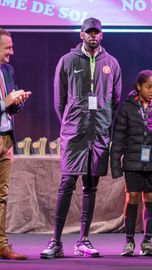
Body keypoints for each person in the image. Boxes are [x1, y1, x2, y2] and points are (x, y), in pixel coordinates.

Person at [40, 17, 122, 259]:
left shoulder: (112, 63)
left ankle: (83, 241)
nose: (93, 35)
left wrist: (103, 122)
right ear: (81, 34)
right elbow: (59, 102)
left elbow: (114, 100)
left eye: (97, 32)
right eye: (89, 32)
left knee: (91, 187)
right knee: (66, 186)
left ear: (102, 35)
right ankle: (55, 241)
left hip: (98, 134)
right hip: (74, 134)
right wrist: (72, 122)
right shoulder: (67, 61)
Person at [110, 70, 152, 256]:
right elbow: (118, 138)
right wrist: (115, 167)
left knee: (150, 199)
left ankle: (147, 242)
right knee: (133, 197)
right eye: (148, 87)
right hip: (133, 162)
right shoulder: (127, 107)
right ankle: (129, 241)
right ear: (138, 87)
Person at [0, 28, 31, 259]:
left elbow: (10, 103)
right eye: (7, 47)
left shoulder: (8, 70)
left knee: (2, 196)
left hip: (6, 139)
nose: (12, 52)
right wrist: (5, 102)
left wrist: (17, 101)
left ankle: (1, 244)